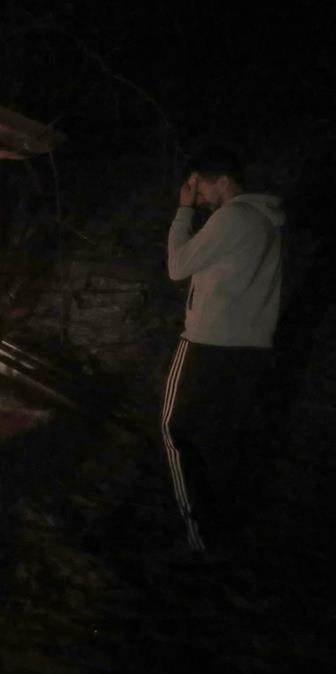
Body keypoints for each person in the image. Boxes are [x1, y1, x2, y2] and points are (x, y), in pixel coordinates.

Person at [160, 146, 285, 553]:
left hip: (207, 344)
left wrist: (182, 211)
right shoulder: (267, 219)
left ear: (224, 181)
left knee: (175, 430)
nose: (199, 198)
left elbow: (178, 267)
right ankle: (224, 526)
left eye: (201, 188)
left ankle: (199, 535)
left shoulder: (233, 216)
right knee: (222, 439)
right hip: (250, 349)